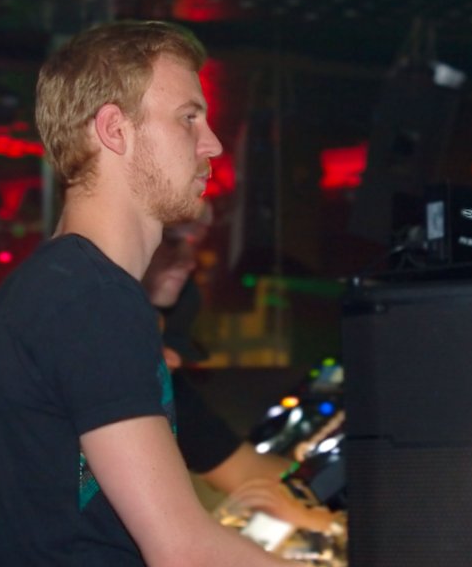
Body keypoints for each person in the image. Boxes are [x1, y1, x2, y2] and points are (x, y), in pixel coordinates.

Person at [0, 19, 368, 567]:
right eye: (188, 118)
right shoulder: (91, 297)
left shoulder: (61, 287)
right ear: (114, 129)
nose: (213, 144)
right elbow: (182, 555)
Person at [142, 213, 335, 533]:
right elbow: (175, 547)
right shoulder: (106, 410)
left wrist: (332, 517)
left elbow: (246, 471)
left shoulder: (164, 389)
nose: (173, 363)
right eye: (173, 242)